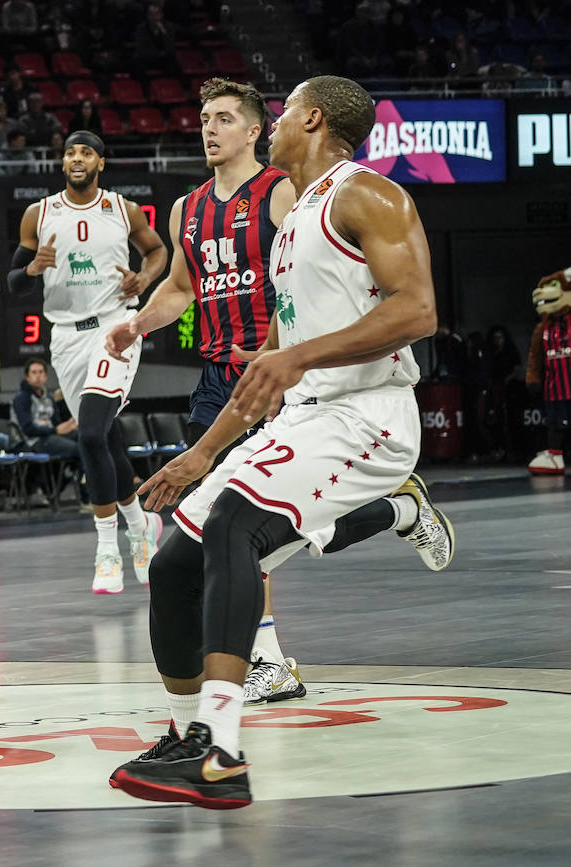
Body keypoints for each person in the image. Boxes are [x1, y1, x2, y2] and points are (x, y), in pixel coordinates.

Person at [109, 76, 456, 810]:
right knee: (174, 560)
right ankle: (183, 734)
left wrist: (297, 359)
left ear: (313, 118)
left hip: (368, 415)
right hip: (305, 410)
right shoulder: (296, 216)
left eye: (281, 111)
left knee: (236, 526)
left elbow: (419, 310)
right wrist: (204, 450)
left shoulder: (369, 195)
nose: (269, 127)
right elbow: (274, 354)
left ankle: (223, 750)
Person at [105, 78, 302, 692]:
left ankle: (394, 507)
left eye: (222, 118)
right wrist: (137, 324)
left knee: (246, 517)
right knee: (218, 517)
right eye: (204, 117)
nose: (208, 128)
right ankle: (264, 657)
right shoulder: (186, 208)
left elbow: (308, 278)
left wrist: (282, 348)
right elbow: (183, 289)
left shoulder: (281, 192)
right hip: (217, 381)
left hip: (273, 375)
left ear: (253, 131)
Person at [9, 131, 168, 594]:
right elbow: (15, 282)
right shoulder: (38, 214)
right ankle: (141, 525)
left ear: (100, 161)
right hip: (65, 337)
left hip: (115, 326)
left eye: (86, 152)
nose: (77, 158)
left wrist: (145, 277)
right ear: (63, 162)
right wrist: (33, 270)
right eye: (70, 152)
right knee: (106, 439)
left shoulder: (123, 209)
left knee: (92, 433)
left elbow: (157, 251)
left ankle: (106, 549)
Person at [526, 275, 571, 474]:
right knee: (554, 424)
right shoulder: (543, 328)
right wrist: (533, 377)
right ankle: (555, 456)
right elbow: (535, 357)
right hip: (555, 388)